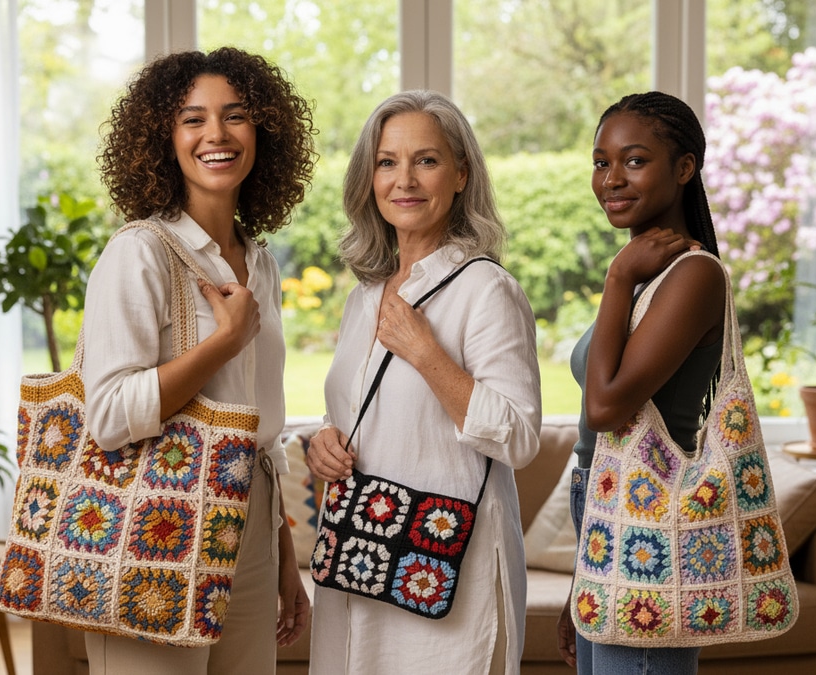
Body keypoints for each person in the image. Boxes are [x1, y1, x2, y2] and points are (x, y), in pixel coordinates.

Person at [81, 47, 317, 674]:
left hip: (253, 530)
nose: (217, 133)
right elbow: (107, 415)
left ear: (262, 132)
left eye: (236, 115)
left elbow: (259, 430)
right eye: (193, 118)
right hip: (153, 532)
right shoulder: (140, 253)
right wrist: (223, 341)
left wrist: (283, 558)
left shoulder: (258, 260)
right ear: (163, 137)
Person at [305, 90, 542, 675]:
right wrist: (324, 442)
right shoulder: (365, 296)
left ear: (461, 173)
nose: (404, 179)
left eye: (426, 160)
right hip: (358, 558)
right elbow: (369, 412)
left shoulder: (485, 290)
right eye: (387, 162)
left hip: (444, 574)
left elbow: (519, 437)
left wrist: (427, 353)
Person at [555, 91, 727, 675]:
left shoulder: (693, 275)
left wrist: (619, 275)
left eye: (634, 160)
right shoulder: (647, 277)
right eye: (601, 162)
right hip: (604, 507)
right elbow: (598, 441)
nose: (611, 179)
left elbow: (605, 407)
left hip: (651, 514)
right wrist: (583, 575)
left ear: (684, 168)